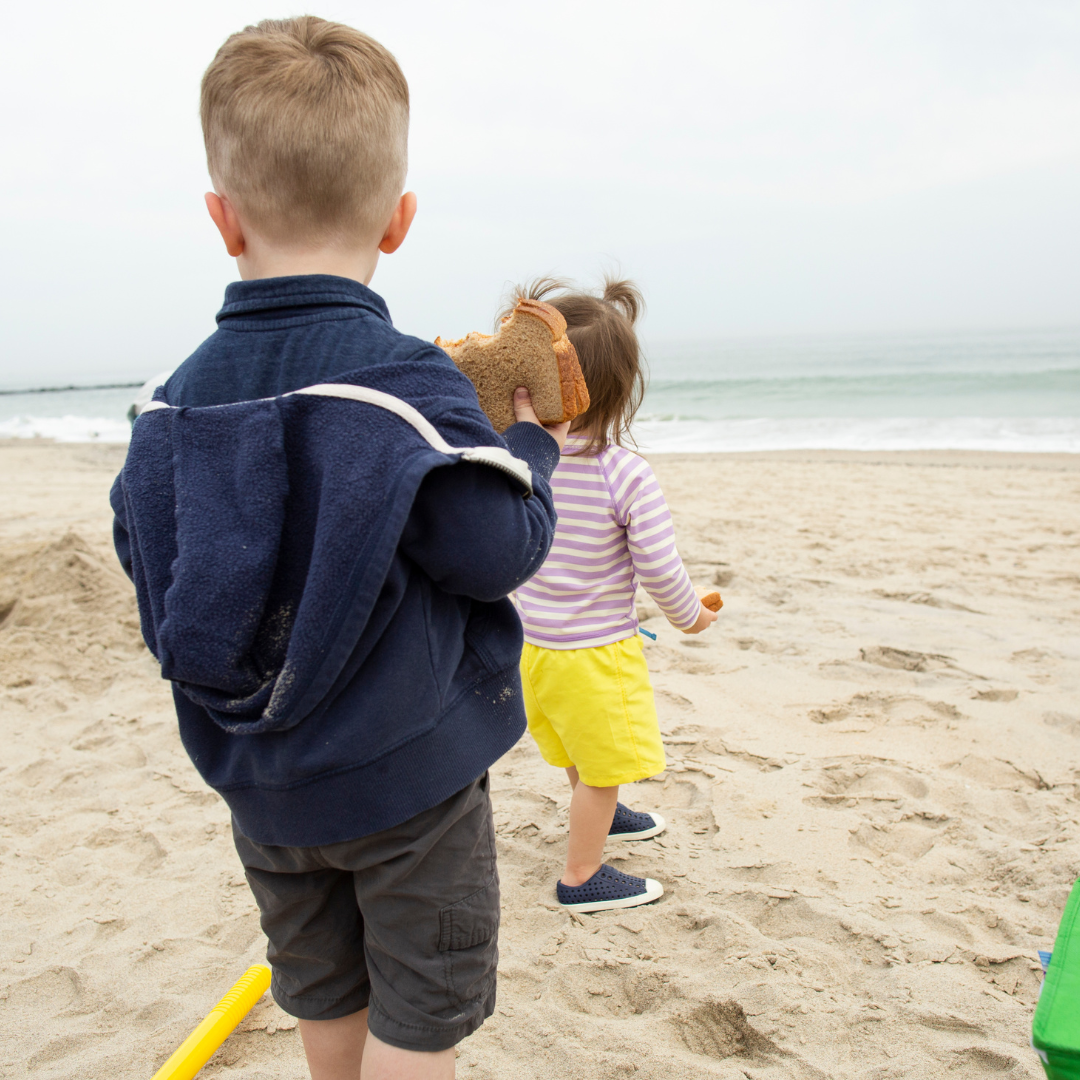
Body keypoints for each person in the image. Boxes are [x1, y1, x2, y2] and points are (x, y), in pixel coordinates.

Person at [109, 18, 567, 1080]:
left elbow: (153, 567)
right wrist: (529, 450)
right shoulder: (408, 384)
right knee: (420, 1011)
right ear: (398, 221)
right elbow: (496, 551)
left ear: (223, 220)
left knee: (323, 985)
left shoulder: (165, 408)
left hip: (263, 788)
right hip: (405, 783)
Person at [512, 278, 719, 914]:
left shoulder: (520, 461)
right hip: (595, 654)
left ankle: (607, 818)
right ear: (621, 387)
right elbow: (659, 567)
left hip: (533, 649)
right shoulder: (621, 471)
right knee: (603, 767)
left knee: (581, 749)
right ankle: (582, 877)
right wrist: (692, 617)